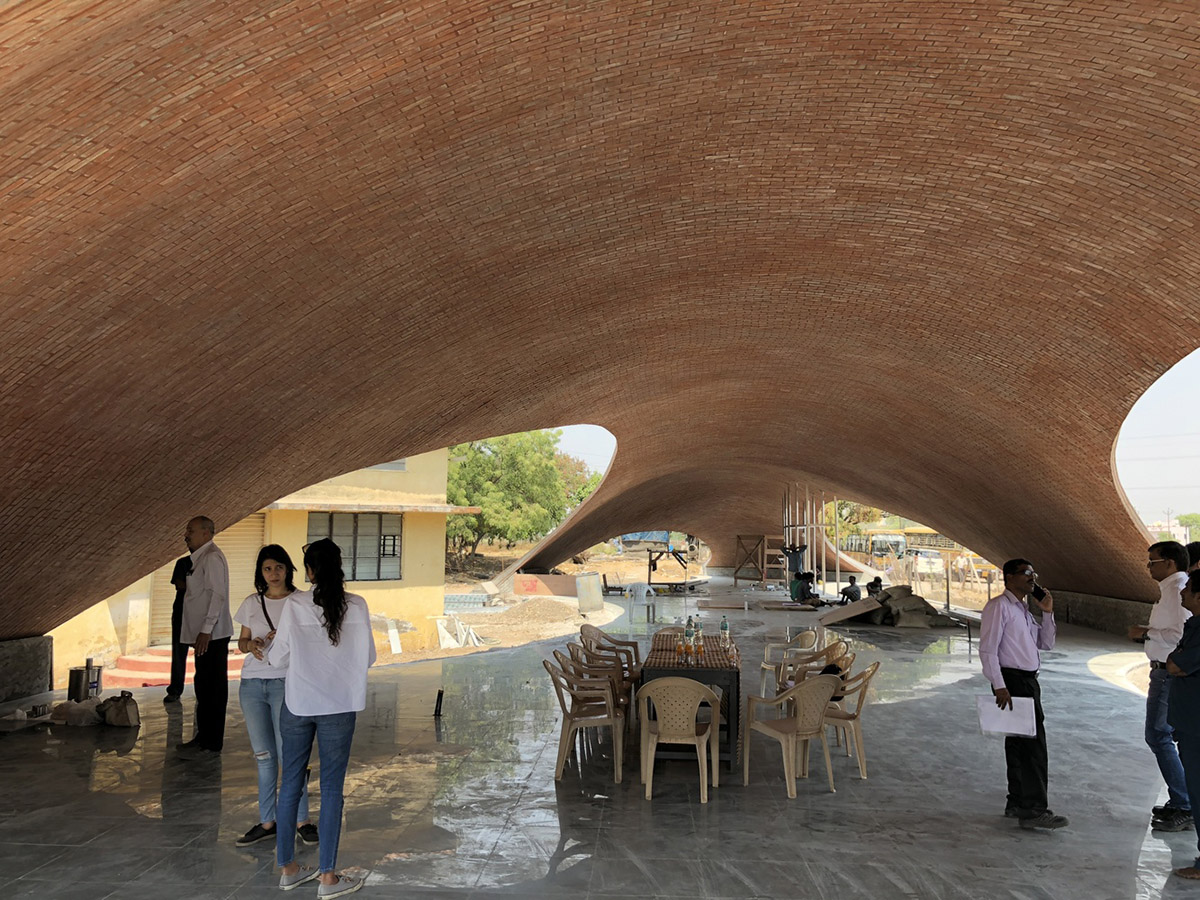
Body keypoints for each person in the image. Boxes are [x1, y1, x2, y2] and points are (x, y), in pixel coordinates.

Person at [271, 539, 375, 898]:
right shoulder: (357, 606)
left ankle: (288, 869)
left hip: (298, 703)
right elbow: (368, 658)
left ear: (310, 571)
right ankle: (328, 878)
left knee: (290, 786)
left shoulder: (295, 604)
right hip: (339, 706)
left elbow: (278, 657)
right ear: (339, 567)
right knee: (332, 789)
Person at [233, 545, 318, 847]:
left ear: (288, 569)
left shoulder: (300, 601)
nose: (274, 574)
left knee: (291, 756)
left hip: (286, 681)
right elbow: (241, 642)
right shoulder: (251, 603)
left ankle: (302, 820)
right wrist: (251, 645)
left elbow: (312, 638)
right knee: (264, 757)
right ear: (261, 572)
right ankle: (267, 820)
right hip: (252, 684)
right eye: (268, 568)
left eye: (279, 567)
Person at [978, 558, 1067, 830]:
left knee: (1018, 745)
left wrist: (1048, 613)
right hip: (1014, 681)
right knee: (1032, 747)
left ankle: (1017, 801)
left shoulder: (1024, 609)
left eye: (1034, 573)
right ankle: (1034, 809)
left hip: (1028, 681)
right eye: (1025, 573)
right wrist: (999, 684)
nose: (1032, 578)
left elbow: (1046, 643)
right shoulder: (999, 607)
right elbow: (988, 649)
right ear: (1008, 577)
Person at [1128, 541, 1192, 831]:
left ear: (1169, 563)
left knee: (1158, 735)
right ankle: (1181, 799)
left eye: (1152, 561)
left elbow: (1182, 634)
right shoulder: (1170, 590)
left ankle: (1185, 803)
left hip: (1168, 673)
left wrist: (1146, 632)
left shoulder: (1180, 590)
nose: (1148, 566)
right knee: (1159, 735)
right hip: (1161, 672)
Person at [177, 516, 232, 758]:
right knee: (203, 686)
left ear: (206, 533)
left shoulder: (211, 558)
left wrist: (206, 630)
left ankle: (212, 743)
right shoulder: (199, 559)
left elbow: (217, 595)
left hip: (212, 636)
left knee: (213, 688)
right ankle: (203, 737)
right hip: (204, 635)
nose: (186, 535)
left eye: (191, 530)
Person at [1167, 571, 1200, 880]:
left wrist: (1174, 660)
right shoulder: (1194, 625)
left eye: (1188, 589)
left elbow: (1176, 664)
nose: (1182, 593)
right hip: (1189, 721)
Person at [164, 554, 192, 703]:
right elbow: (179, 584)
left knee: (203, 654)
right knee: (179, 653)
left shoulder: (209, 563)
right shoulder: (183, 562)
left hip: (200, 614)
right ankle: (175, 690)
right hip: (182, 613)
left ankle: (202, 690)